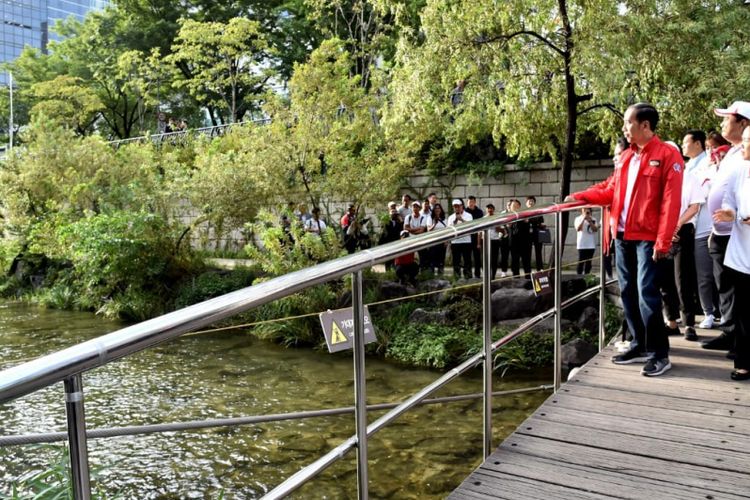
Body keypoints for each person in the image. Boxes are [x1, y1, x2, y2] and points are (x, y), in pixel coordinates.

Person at [566, 103, 683, 377]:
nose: (624, 128)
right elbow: (610, 190)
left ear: (645, 125)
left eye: (628, 122)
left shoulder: (668, 155)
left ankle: (659, 354)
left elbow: (671, 202)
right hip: (621, 235)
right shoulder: (627, 157)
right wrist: (581, 196)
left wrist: (662, 242)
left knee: (647, 295)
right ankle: (639, 343)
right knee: (628, 292)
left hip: (647, 237)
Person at [702, 102, 750, 352]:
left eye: (726, 119)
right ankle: (729, 331)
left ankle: (738, 338)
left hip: (738, 234)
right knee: (724, 286)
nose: (722, 124)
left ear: (743, 123)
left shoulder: (747, 153)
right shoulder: (732, 152)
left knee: (738, 290)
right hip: (721, 232)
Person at [712, 124, 750, 380]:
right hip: (740, 253)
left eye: (748, 141)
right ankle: (744, 361)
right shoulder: (739, 169)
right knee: (743, 311)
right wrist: (729, 214)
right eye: (745, 140)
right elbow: (729, 202)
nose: (743, 145)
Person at [659, 145, 704, 342]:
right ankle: (671, 321)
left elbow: (695, 206)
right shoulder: (659, 179)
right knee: (664, 279)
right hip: (662, 231)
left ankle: (689, 324)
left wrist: (676, 225)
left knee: (682, 278)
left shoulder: (690, 177)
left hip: (682, 229)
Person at [684, 131, 720, 329]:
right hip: (699, 229)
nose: (711, 152)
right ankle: (708, 312)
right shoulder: (693, 168)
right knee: (703, 275)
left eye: (714, 147)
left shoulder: (721, 166)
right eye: (708, 148)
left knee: (722, 275)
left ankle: (723, 313)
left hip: (720, 229)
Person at [447, 199, 474, 279]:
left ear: (462, 206)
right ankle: (456, 278)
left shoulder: (468, 215)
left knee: (467, 261)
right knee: (456, 261)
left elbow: (470, 227)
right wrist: (455, 221)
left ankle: (468, 277)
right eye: (455, 207)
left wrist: (461, 220)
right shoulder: (451, 217)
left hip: (466, 241)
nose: (457, 208)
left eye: (458, 206)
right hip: (455, 242)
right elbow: (449, 230)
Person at [508, 199, 531, 277]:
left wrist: (522, 217)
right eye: (512, 206)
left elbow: (527, 222)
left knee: (526, 261)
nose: (514, 207)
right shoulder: (509, 216)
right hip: (514, 242)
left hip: (524, 242)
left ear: (519, 206)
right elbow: (508, 226)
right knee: (515, 261)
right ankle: (516, 278)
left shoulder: (524, 214)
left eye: (515, 205)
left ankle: (528, 278)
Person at [574, 208, 598, 274]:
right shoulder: (578, 219)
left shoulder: (593, 219)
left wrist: (590, 221)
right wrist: (583, 219)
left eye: (588, 209)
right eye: (584, 209)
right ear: (581, 210)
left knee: (589, 262)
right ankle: (578, 276)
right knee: (581, 261)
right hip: (582, 244)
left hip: (591, 244)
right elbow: (578, 229)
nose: (586, 211)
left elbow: (595, 229)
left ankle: (587, 276)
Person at [465, 196, 484, 278]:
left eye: (472, 202)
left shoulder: (479, 212)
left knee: (477, 257)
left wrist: (479, 241)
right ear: (467, 202)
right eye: (469, 202)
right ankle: (468, 275)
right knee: (467, 257)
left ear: (475, 202)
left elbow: (481, 225)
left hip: (477, 236)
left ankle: (477, 274)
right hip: (467, 237)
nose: (470, 203)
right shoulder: (465, 212)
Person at [526, 196, 546, 270]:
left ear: (534, 203)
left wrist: (531, 221)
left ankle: (540, 269)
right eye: (529, 201)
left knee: (538, 252)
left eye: (532, 201)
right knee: (528, 252)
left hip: (537, 233)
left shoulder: (538, 211)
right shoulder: (524, 212)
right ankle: (527, 269)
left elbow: (541, 221)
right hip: (527, 234)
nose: (530, 202)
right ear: (526, 203)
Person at [427, 203, 448, 275]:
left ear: (441, 210)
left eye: (439, 208)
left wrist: (446, 241)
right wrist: (434, 224)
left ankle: (440, 274)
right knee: (432, 260)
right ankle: (431, 275)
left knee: (441, 259)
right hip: (433, 242)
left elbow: (447, 231)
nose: (437, 209)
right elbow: (429, 230)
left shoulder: (445, 219)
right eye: (436, 208)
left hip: (442, 242)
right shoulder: (430, 218)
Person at [485, 203, 503, 279]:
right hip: (486, 241)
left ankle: (493, 276)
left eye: (491, 209)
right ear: (486, 210)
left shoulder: (497, 218)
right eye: (488, 209)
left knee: (494, 259)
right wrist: (478, 243)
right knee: (486, 259)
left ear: (493, 210)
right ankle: (486, 275)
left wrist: (497, 227)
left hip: (495, 241)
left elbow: (502, 230)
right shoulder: (483, 218)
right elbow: (479, 232)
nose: (490, 210)